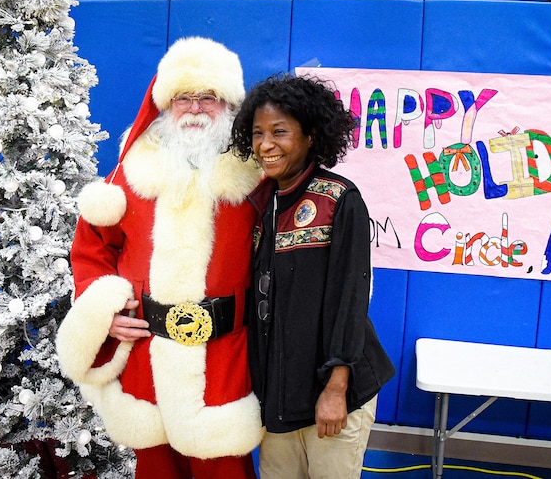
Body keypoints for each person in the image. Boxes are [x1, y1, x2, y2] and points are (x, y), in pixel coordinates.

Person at [56, 37, 264, 479]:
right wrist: (103, 314)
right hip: (146, 359)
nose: (194, 108)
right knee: (156, 469)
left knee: (223, 468)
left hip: (225, 358)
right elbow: (91, 246)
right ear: (165, 106)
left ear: (228, 104)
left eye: (207, 97)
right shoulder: (133, 174)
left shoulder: (256, 177)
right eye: (182, 97)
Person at [230, 73, 396, 479]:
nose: (265, 145)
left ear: (311, 136)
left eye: (280, 132)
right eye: (257, 133)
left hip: (332, 394)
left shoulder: (340, 199)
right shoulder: (260, 202)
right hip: (280, 396)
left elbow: (349, 300)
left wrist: (335, 389)